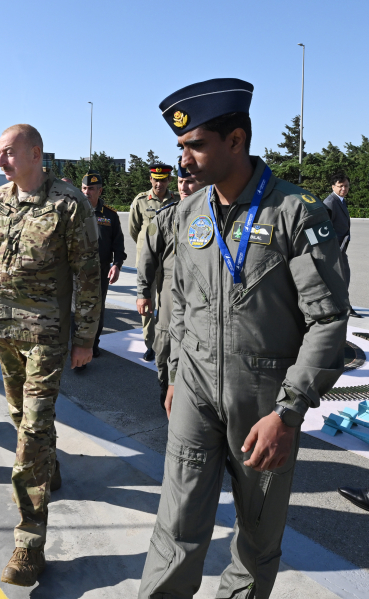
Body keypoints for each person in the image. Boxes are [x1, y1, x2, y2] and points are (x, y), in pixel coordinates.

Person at [138, 78, 348, 599]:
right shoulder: (187, 216)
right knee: (175, 528)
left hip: (265, 402)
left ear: (236, 140)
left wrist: (289, 412)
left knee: (255, 543)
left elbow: (328, 321)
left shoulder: (297, 214)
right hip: (193, 392)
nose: (183, 160)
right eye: (180, 147)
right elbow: (179, 305)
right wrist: (173, 374)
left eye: (195, 145)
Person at [0, 124, 100, 587]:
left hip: (48, 338)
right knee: (20, 416)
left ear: (35, 154)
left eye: (8, 154)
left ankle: (29, 543)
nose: (0, 164)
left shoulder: (68, 204)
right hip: (4, 332)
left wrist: (85, 339)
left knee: (32, 431)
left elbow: (88, 274)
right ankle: (48, 466)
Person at [136, 159, 201, 407]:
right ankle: (166, 396)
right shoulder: (166, 217)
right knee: (163, 349)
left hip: (201, 299)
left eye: (190, 182)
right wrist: (144, 292)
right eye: (181, 181)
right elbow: (148, 257)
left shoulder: (214, 217)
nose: (184, 187)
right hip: (169, 299)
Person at [75, 170, 125, 371]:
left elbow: (118, 244)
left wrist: (117, 265)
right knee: (76, 311)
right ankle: (78, 347)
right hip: (76, 272)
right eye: (84, 188)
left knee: (97, 310)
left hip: (100, 271)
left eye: (92, 189)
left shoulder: (110, 215)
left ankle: (92, 346)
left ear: (100, 190)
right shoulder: (73, 211)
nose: (87, 192)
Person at [129, 164, 179, 361]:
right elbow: (134, 230)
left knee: (167, 303)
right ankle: (150, 344)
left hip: (168, 261)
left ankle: (164, 340)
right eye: (156, 180)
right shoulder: (141, 201)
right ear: (151, 180)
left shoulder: (176, 200)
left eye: (163, 180)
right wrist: (146, 249)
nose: (159, 183)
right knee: (147, 304)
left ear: (169, 180)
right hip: (147, 262)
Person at [324, 172, 359, 318]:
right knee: (342, 276)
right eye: (340, 186)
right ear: (333, 186)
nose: (344, 189)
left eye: (346, 186)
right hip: (334, 248)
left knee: (342, 276)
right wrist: (332, 248)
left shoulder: (341, 200)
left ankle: (339, 305)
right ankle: (343, 306)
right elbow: (326, 228)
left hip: (340, 247)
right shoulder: (330, 202)